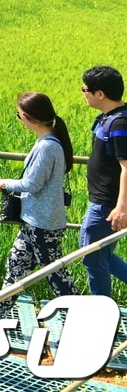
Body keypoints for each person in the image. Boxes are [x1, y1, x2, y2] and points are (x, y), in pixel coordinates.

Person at [0, 92, 77, 319]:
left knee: (56, 276)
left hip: (43, 223)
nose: (20, 119)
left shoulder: (48, 147)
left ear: (31, 118)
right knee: (16, 265)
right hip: (35, 220)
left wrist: (4, 183)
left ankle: (82, 318)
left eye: (19, 115)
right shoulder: (47, 143)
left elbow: (32, 184)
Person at [79, 65, 127, 296]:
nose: (83, 93)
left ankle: (102, 318)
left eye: (85, 89)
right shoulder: (111, 118)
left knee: (92, 258)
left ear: (100, 94)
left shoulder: (119, 124)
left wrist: (121, 208)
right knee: (100, 254)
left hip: (106, 205)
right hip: (103, 202)